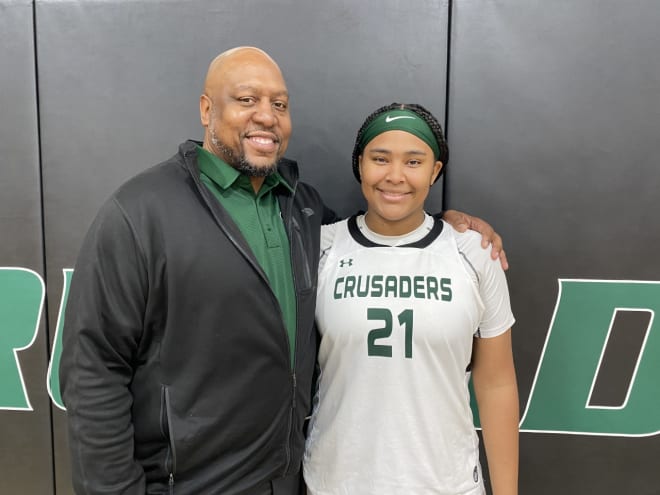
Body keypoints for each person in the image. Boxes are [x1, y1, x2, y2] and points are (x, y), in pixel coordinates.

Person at [59, 47, 507, 495]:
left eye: (279, 104)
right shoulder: (142, 211)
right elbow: (92, 367)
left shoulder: (305, 210)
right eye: (246, 100)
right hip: (187, 484)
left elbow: (392, 232)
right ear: (206, 108)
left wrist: (454, 227)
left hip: (287, 481)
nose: (266, 116)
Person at [303, 103, 519, 495]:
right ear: (360, 165)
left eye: (414, 161)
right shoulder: (321, 248)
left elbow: (496, 383)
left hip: (446, 483)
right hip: (336, 482)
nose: (395, 176)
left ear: (435, 170)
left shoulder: (473, 253)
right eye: (380, 159)